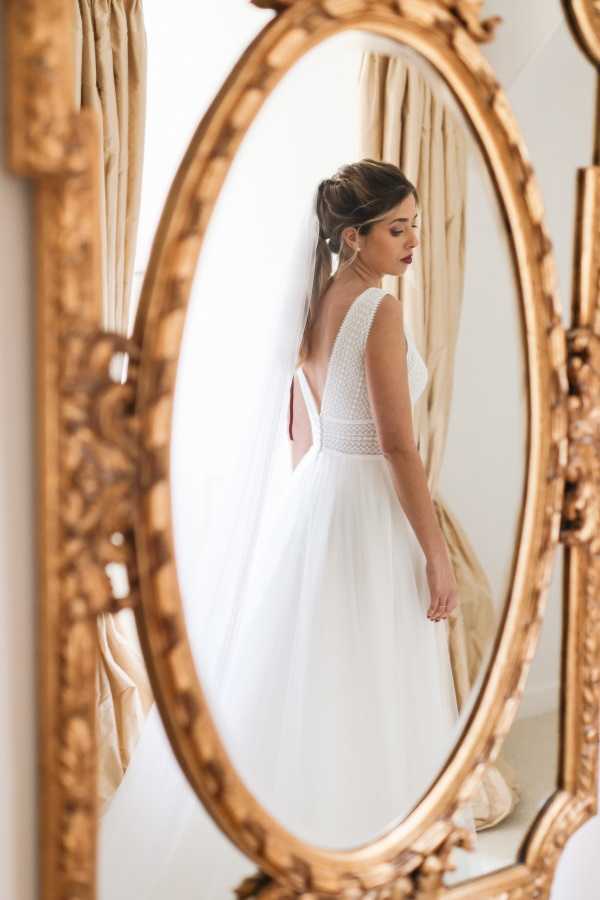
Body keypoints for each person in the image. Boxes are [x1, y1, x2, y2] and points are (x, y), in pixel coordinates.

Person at [212, 159, 466, 849]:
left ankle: (318, 828)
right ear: (353, 237)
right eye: (396, 229)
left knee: (330, 670)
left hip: (320, 496)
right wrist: (435, 553)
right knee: (374, 667)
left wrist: (305, 513)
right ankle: (375, 833)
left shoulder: (315, 302)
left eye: (413, 226)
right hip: (366, 506)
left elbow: (303, 425)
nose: (411, 241)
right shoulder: (376, 309)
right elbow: (397, 446)